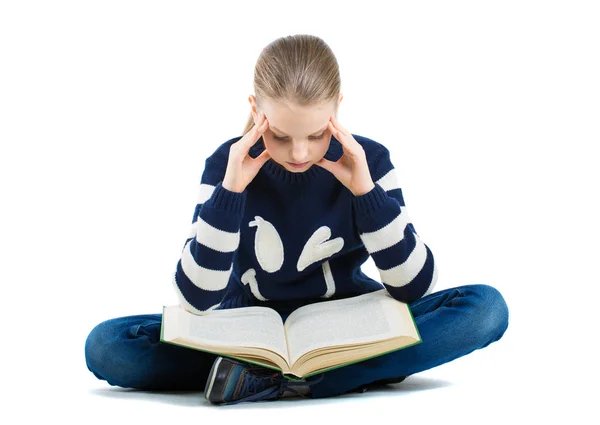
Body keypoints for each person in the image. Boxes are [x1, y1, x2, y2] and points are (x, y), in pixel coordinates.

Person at [84, 34, 509, 406]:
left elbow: (412, 287)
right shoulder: (226, 165)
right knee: (108, 346)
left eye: (317, 134)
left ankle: (287, 380)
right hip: (243, 332)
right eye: (281, 136)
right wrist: (230, 193)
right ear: (256, 110)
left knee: (485, 308)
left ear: (337, 110)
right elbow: (197, 299)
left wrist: (367, 192)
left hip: (347, 325)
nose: (300, 153)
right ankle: (331, 375)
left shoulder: (370, 160)